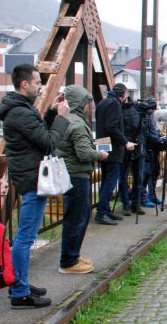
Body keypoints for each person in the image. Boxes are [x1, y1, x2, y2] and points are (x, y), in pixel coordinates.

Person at [0, 63, 70, 309]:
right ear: (24, 84)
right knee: (25, 237)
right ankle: (19, 291)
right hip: (32, 180)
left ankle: (22, 283)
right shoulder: (21, 112)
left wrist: (50, 113)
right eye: (38, 82)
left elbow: (38, 133)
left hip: (28, 176)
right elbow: (49, 142)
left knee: (25, 236)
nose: (40, 87)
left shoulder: (19, 109)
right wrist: (61, 119)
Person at [55, 85, 108, 274]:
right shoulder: (76, 123)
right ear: (80, 103)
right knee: (77, 218)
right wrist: (101, 155)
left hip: (74, 173)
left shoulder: (69, 120)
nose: (90, 107)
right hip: (76, 175)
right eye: (88, 103)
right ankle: (68, 261)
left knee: (81, 216)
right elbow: (84, 153)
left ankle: (73, 255)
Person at [94, 83, 135, 225]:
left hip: (102, 142)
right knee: (111, 180)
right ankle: (101, 212)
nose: (127, 97)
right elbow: (112, 126)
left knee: (105, 179)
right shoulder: (114, 104)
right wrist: (125, 142)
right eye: (126, 94)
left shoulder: (102, 102)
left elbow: (103, 126)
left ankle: (105, 210)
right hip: (112, 146)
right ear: (122, 94)